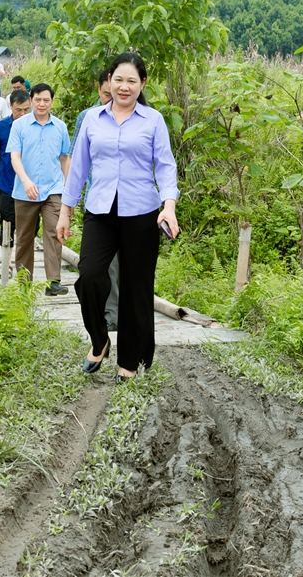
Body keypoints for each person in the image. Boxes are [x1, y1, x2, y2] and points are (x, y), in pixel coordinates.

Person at [57, 52, 179, 381]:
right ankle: (99, 340)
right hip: (100, 211)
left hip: (142, 212)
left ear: (142, 84)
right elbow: (78, 168)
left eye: (132, 81)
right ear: (109, 81)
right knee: (91, 275)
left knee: (136, 288)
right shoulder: (93, 120)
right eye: (118, 80)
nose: (124, 87)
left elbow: (166, 166)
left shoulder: (153, 121)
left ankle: (128, 363)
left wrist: (169, 206)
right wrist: (65, 212)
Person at [7, 82, 72, 295]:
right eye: (37, 100)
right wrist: (26, 181)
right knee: (24, 237)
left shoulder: (61, 127)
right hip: (26, 190)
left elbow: (64, 159)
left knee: (54, 232)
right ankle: (24, 282)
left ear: (52, 102)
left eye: (46, 100)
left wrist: (67, 191)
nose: (42, 104)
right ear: (31, 100)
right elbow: (15, 156)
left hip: (54, 188)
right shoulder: (20, 126)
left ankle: (53, 282)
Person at [73, 69, 119, 332]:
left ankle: (117, 313)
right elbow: (74, 160)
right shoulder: (88, 117)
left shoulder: (143, 118)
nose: (110, 98)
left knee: (123, 265)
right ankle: (108, 316)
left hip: (131, 206)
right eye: (106, 93)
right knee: (101, 266)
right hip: (97, 202)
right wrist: (72, 199)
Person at [0, 89, 30, 235]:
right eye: (18, 110)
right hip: (7, 185)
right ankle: (6, 257)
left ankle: (23, 257)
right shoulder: (1, 128)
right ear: (10, 106)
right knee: (8, 225)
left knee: (30, 229)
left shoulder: (35, 127)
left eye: (26, 110)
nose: (22, 114)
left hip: (30, 187)